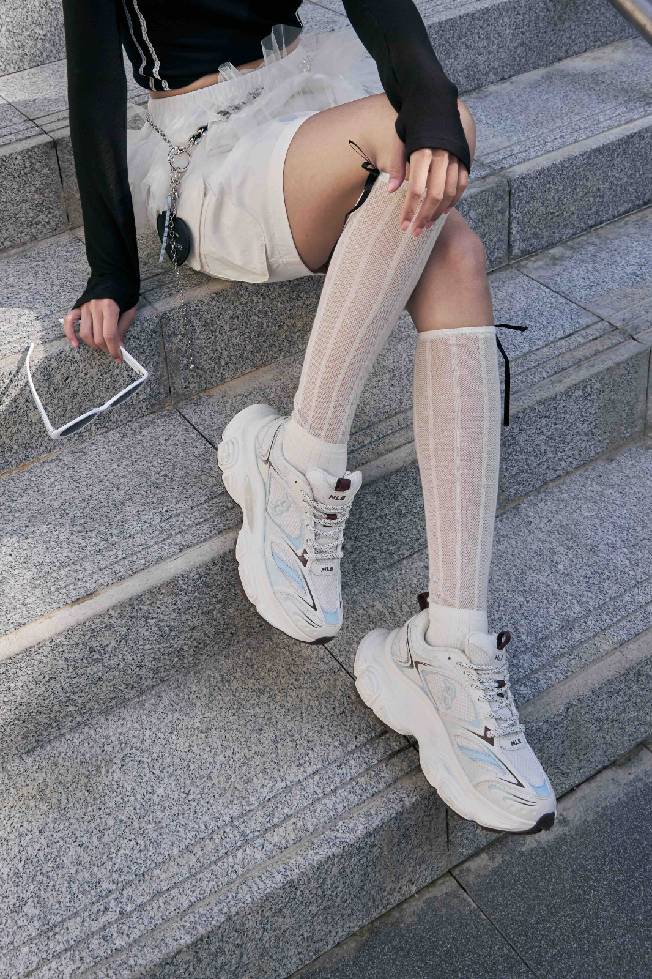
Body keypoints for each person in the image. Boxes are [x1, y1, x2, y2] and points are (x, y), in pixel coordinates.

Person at [62, 0, 556, 834]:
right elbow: (92, 87)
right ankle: (297, 463)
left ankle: (453, 644)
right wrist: (110, 271)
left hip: (309, 101)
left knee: (460, 253)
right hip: (212, 145)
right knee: (420, 134)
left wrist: (431, 107)